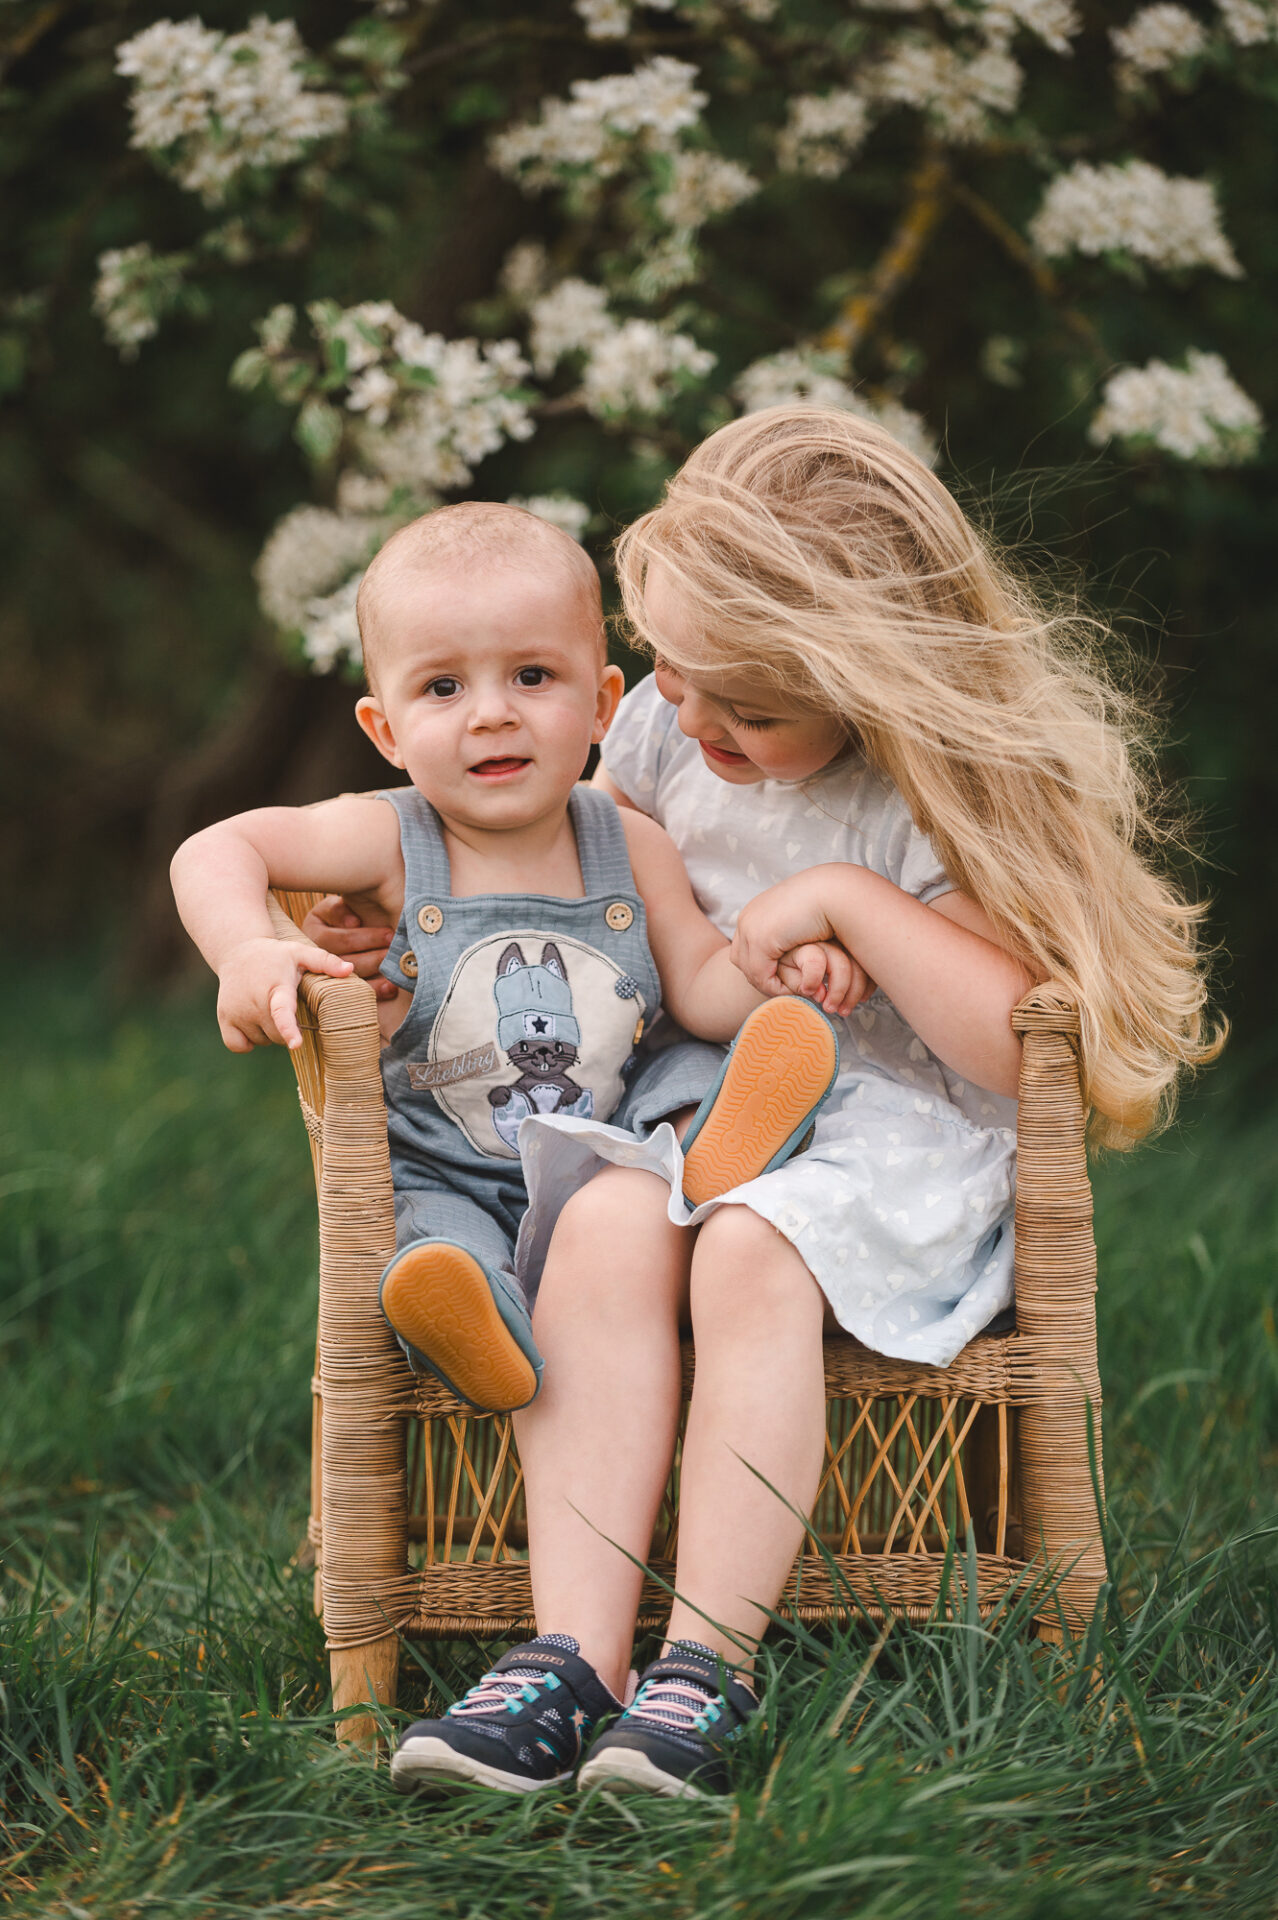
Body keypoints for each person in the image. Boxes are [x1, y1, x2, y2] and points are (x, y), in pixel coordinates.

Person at [378, 409, 1221, 1802]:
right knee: (596, 1229)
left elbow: (1016, 1049)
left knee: (750, 1245)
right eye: (671, 676)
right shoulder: (661, 723)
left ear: (869, 684)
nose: (689, 721)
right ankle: (567, 1657)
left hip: (888, 1134)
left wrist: (846, 906)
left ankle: (702, 1671)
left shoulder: (920, 796)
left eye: (749, 712)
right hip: (688, 1085)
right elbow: (577, 869)